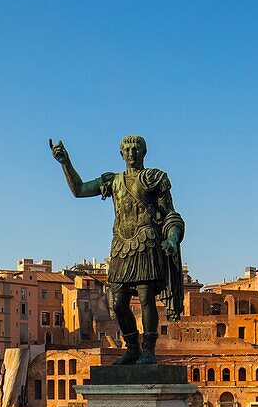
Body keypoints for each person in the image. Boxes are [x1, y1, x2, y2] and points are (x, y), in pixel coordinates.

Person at [50, 134, 185, 365]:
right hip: (122, 245)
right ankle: (132, 348)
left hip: (147, 241)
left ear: (143, 153)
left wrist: (171, 239)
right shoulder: (114, 181)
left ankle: (148, 351)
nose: (131, 153)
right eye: (127, 150)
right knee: (118, 303)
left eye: (136, 149)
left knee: (145, 298)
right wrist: (65, 163)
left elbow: (171, 215)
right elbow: (79, 190)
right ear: (121, 154)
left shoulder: (154, 178)